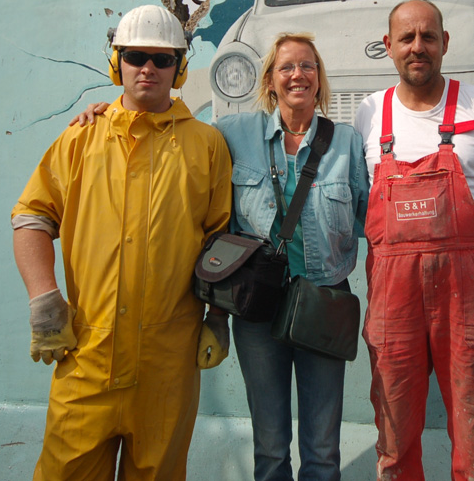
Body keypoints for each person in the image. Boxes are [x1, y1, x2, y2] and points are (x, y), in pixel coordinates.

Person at [72, 32, 369, 481]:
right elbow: (171, 132)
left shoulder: (346, 141)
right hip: (257, 312)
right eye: (286, 67)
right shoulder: (233, 133)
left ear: (319, 78)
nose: (298, 75)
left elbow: (372, 218)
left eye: (307, 66)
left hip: (325, 306)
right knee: (270, 447)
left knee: (324, 449)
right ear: (269, 80)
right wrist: (110, 111)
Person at [12, 4, 232, 481]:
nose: (148, 68)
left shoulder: (207, 146)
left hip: (168, 366)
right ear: (117, 64)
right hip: (86, 356)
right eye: (135, 56)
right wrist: (44, 301)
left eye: (162, 58)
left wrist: (218, 317)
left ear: (181, 67)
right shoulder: (79, 140)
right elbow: (31, 217)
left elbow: (221, 240)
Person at [353, 0, 474, 480]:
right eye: (407, 38)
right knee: (394, 440)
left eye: (428, 36)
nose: (418, 47)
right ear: (388, 46)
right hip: (394, 300)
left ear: (445, 43)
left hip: (471, 297)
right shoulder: (370, 116)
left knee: (473, 439)